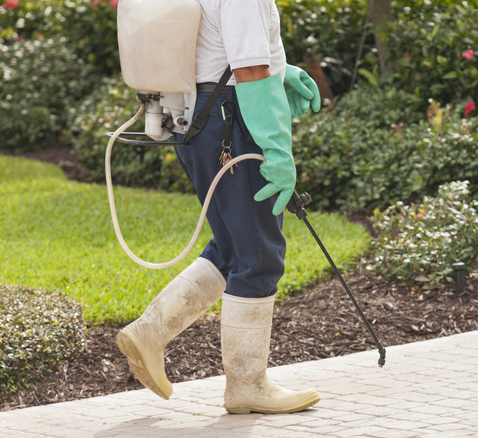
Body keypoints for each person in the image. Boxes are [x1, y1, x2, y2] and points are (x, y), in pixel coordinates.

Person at [115, 0, 322, 414]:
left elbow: (212, 46)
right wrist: (277, 147)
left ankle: (150, 334)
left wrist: (280, 69)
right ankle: (248, 384)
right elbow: (247, 71)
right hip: (231, 120)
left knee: (232, 246)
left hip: (195, 117)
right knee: (259, 253)